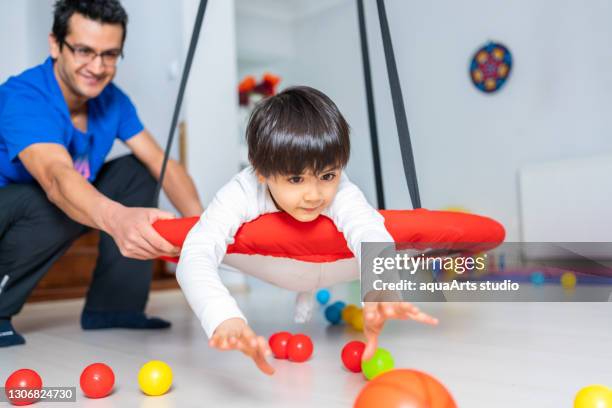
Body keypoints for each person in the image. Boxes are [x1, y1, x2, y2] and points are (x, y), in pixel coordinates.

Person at [177, 86, 438, 375]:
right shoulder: (242, 190)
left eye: (328, 175)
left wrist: (381, 287)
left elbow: (367, 230)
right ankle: (301, 290)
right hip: (273, 266)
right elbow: (196, 253)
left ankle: (312, 288)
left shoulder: (343, 192)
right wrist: (223, 317)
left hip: (330, 265)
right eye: (296, 179)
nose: (314, 195)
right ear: (260, 170)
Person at [0, 0, 204, 347]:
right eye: (83, 51)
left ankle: (115, 308)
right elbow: (55, 177)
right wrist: (118, 219)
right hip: (17, 207)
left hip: (52, 202)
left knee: (138, 171)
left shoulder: (113, 101)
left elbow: (162, 162)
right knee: (51, 199)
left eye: (110, 54)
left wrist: (204, 230)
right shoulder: (23, 96)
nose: (97, 67)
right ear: (55, 44)